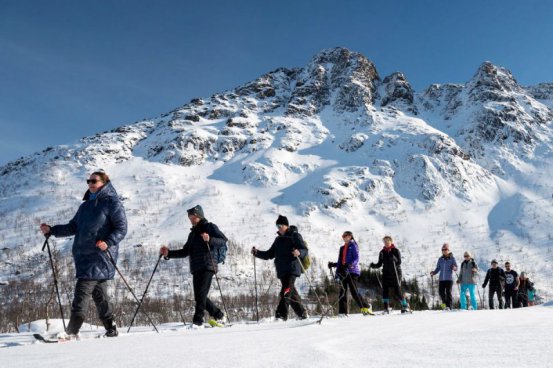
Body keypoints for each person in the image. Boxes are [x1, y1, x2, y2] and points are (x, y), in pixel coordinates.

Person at [40, 171, 127, 338]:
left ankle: (71, 332)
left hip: (100, 256)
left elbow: (121, 229)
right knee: (100, 295)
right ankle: (111, 327)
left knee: (81, 293)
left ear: (104, 182)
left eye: (94, 181)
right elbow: (72, 227)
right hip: (83, 257)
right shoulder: (85, 206)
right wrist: (52, 230)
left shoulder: (112, 203)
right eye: (88, 181)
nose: (90, 184)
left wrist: (108, 242)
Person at [160, 205, 228, 327]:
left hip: (208, 265)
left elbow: (223, 240)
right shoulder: (192, 235)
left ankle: (198, 321)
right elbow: (185, 252)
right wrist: (169, 253)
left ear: (199, 216)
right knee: (199, 296)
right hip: (196, 268)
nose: (191, 219)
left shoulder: (210, 227)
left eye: (193, 217)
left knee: (201, 295)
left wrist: (210, 239)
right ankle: (219, 315)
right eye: (190, 218)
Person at [251, 215, 308, 321]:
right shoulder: (278, 240)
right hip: (282, 270)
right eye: (277, 225)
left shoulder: (294, 235)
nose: (279, 227)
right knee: (291, 293)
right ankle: (302, 313)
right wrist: (257, 253)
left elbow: (304, 250)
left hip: (292, 268)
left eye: (280, 225)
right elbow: (269, 254)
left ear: (286, 225)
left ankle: (281, 315)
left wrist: (299, 252)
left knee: (285, 291)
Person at [327, 231, 372, 316]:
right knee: (342, 292)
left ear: (350, 236)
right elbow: (341, 262)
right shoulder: (342, 248)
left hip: (352, 271)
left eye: (346, 236)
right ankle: (342, 312)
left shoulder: (353, 246)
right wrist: (333, 264)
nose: (344, 237)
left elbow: (356, 258)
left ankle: (366, 306)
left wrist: (351, 264)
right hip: (343, 271)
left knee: (354, 291)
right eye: (343, 236)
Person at [370, 236, 410, 313]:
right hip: (386, 274)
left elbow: (399, 262)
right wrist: (374, 265)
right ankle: (386, 308)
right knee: (385, 291)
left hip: (396, 273)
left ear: (391, 242)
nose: (386, 243)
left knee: (397, 292)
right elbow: (380, 264)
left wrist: (394, 258)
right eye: (385, 242)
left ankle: (405, 305)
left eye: (387, 241)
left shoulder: (396, 251)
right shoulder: (382, 252)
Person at [429, 243, 458, 310]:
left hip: (449, 279)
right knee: (441, 293)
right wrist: (433, 272)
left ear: (448, 250)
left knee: (448, 293)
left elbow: (456, 267)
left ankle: (449, 307)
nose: (444, 251)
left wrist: (454, 267)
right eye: (443, 249)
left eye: (445, 249)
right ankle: (444, 306)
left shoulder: (452, 259)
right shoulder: (440, 259)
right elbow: (438, 268)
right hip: (441, 279)